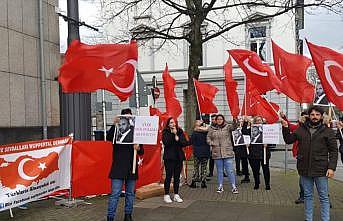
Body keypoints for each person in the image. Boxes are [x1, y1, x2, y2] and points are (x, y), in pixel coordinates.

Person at [281, 106, 338, 221]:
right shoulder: (301, 129)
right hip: (304, 169)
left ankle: (325, 219)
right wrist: (285, 127)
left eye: (317, 115)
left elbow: (333, 151)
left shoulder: (328, 131)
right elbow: (289, 140)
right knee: (307, 196)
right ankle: (308, 219)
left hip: (321, 169)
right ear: (309, 116)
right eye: (312, 114)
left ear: (321, 116)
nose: (315, 117)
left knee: (324, 197)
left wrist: (331, 168)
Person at [106, 108, 144, 221]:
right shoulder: (116, 132)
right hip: (118, 167)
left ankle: (128, 215)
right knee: (115, 194)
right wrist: (114, 124)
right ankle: (110, 217)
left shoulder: (137, 134)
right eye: (125, 118)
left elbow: (142, 152)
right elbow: (108, 138)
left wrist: (139, 147)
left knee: (130, 194)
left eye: (129, 118)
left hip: (131, 168)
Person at [207, 114, 239, 194]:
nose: (219, 120)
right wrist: (211, 143)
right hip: (217, 152)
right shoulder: (211, 128)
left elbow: (235, 126)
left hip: (227, 152)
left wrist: (235, 119)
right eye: (218, 119)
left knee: (230, 170)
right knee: (220, 171)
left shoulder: (227, 127)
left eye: (221, 119)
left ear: (223, 120)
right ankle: (220, 186)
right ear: (216, 120)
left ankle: (233, 186)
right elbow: (208, 137)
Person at [281, 111, 307, 204]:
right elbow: (289, 127)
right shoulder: (298, 128)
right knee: (302, 179)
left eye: (306, 117)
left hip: (314, 160)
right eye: (303, 117)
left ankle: (325, 199)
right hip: (301, 157)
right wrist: (284, 118)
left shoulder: (317, 129)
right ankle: (302, 196)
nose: (304, 119)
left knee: (319, 182)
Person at [162, 117, 189, 203]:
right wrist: (173, 135)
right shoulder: (165, 132)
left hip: (178, 157)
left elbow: (184, 143)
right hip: (169, 157)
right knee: (169, 176)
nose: (172, 124)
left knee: (177, 177)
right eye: (171, 123)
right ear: (168, 124)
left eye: (174, 123)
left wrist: (177, 136)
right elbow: (166, 142)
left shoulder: (180, 131)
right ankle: (166, 194)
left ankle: (176, 194)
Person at [242, 116, 271, 190]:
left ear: (262, 121)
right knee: (255, 169)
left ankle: (267, 184)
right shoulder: (251, 129)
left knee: (266, 169)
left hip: (264, 152)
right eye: (257, 120)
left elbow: (272, 138)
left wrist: (268, 144)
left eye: (260, 120)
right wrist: (245, 122)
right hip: (254, 153)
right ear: (254, 122)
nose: (258, 122)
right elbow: (244, 132)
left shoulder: (266, 129)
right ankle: (257, 183)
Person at [189, 120, 211, 188]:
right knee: (204, 167)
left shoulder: (195, 132)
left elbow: (191, 141)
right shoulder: (207, 132)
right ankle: (203, 182)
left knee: (196, 167)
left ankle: (194, 182)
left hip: (197, 152)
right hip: (206, 152)